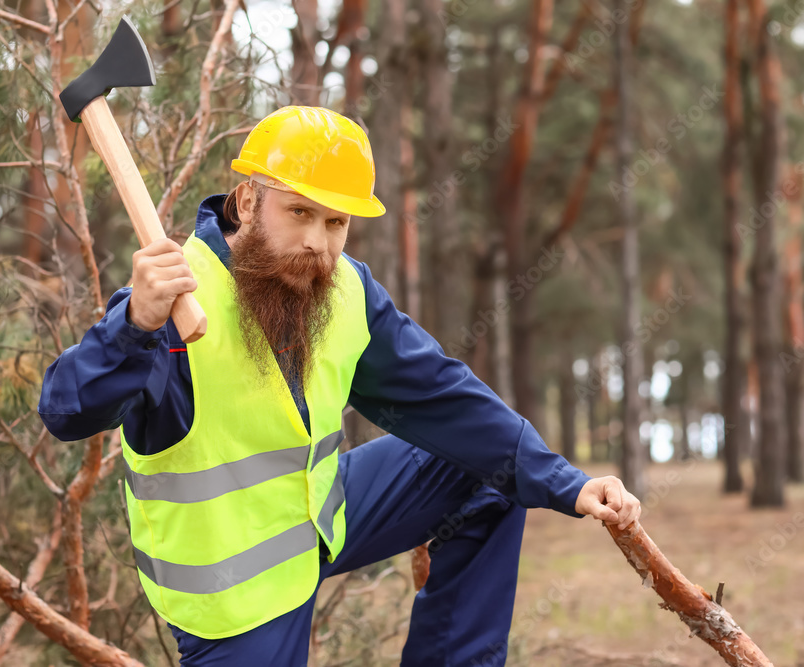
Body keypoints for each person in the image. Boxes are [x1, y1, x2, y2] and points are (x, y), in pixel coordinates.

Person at [38, 105, 641, 666]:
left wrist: (565, 482)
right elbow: (65, 409)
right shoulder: (171, 305)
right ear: (247, 201)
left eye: (335, 222)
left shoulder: (345, 289)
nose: (317, 243)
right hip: (232, 592)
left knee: (490, 470)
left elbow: (441, 395)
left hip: (320, 516)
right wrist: (133, 324)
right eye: (298, 212)